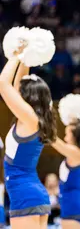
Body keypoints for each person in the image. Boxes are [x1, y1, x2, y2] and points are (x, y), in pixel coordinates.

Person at [0, 44, 57, 228]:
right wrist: (25, 54)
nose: (17, 95)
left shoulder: (30, 119)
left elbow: (3, 85)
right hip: (30, 193)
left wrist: (15, 53)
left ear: (28, 98)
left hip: (24, 194)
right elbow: (17, 85)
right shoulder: (31, 119)